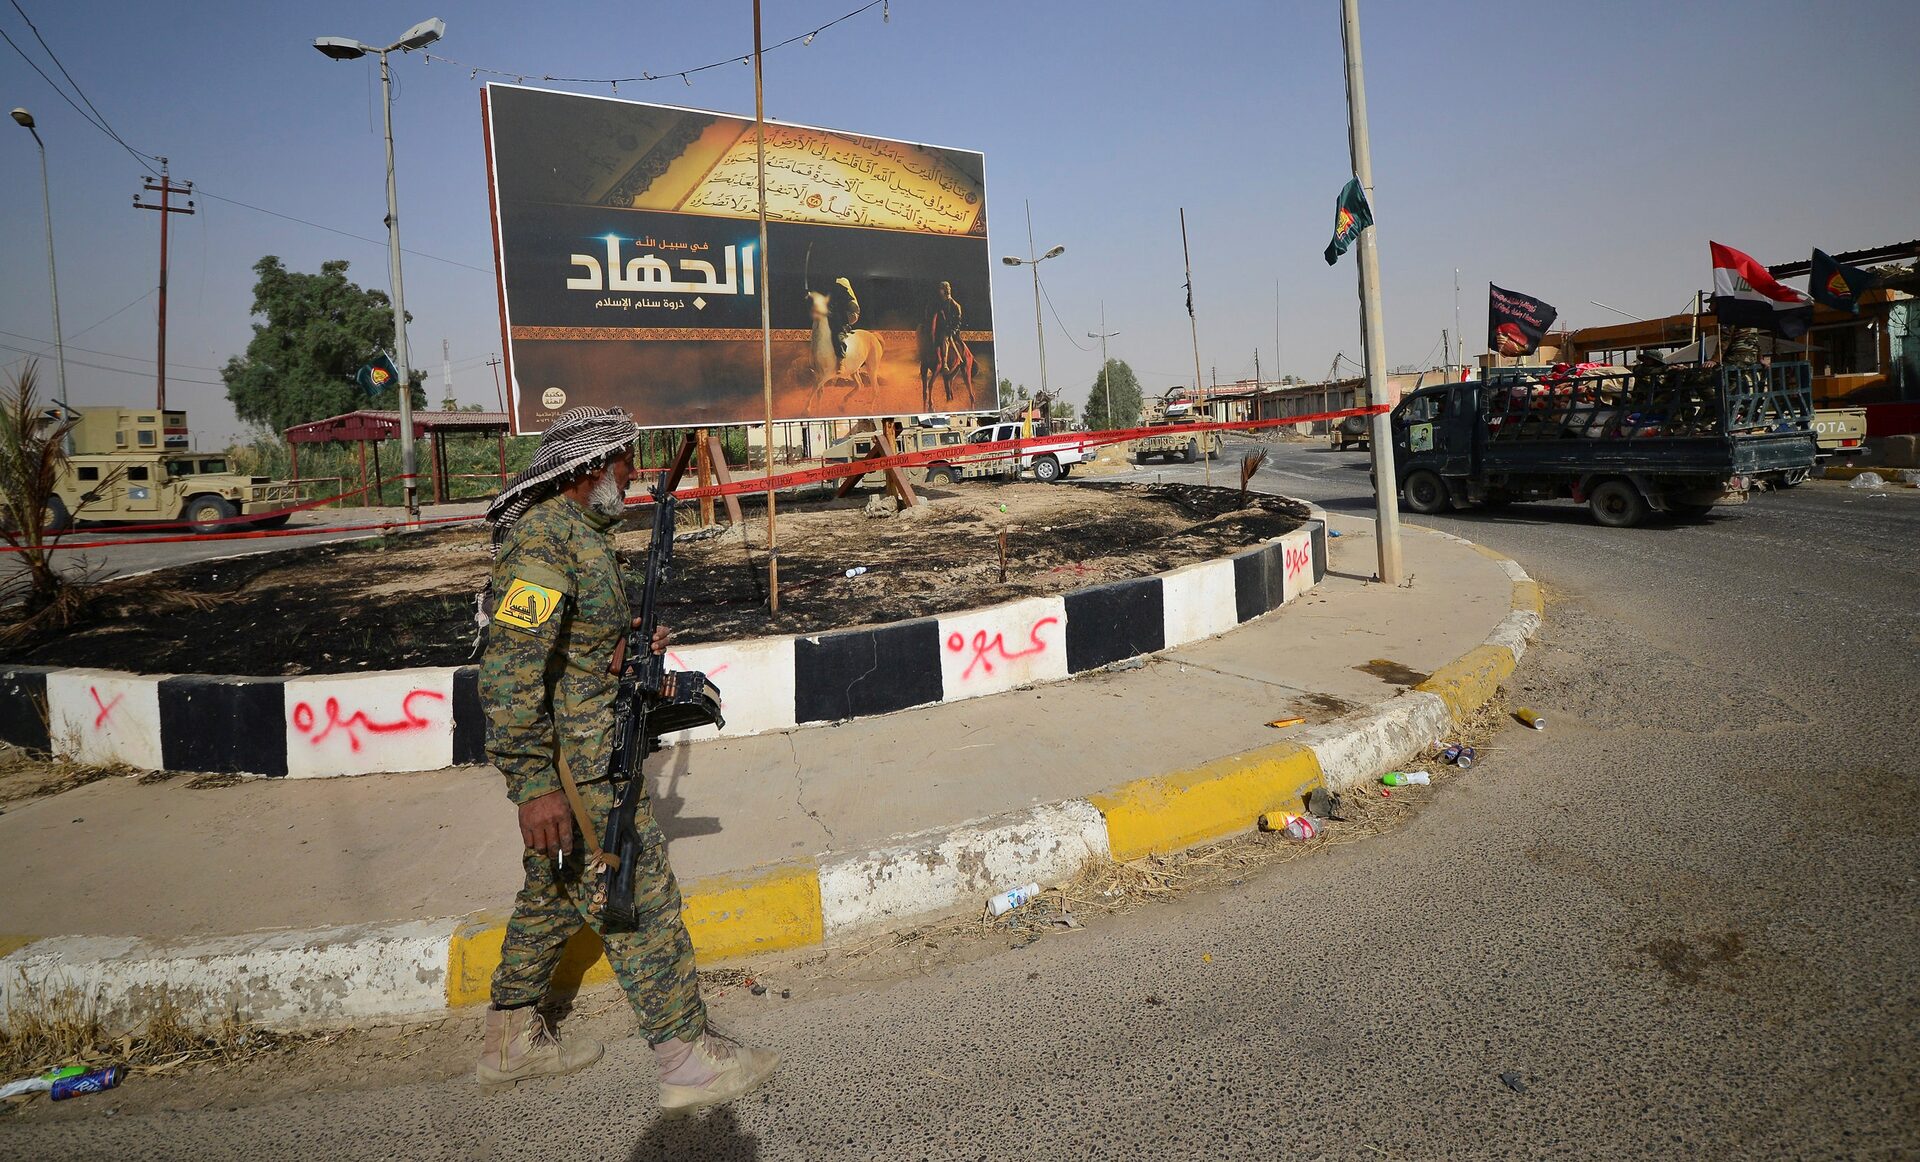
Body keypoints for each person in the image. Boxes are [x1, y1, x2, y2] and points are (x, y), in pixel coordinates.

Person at [476, 405, 779, 1110]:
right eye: (622, 461)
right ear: (588, 469)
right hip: (581, 773)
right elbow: (511, 668)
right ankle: (686, 1058)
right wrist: (533, 786)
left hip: (587, 754)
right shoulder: (548, 540)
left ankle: (508, 1042)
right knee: (637, 900)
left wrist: (620, 640)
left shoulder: (579, 534)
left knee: (554, 897)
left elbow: (570, 641)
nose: (632, 473)